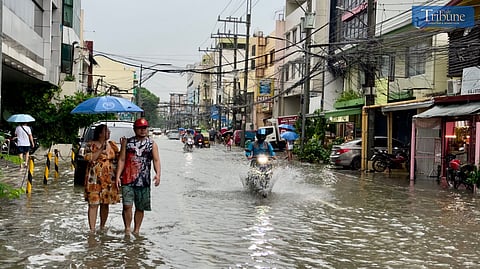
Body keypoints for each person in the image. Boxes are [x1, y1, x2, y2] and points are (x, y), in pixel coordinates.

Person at [115, 118, 161, 235]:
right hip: (127, 179)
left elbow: (156, 160)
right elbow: (122, 159)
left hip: (143, 181)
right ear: (135, 129)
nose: (142, 130)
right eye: (140, 128)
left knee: (140, 207)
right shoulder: (127, 142)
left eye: (144, 128)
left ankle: (136, 230)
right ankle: (127, 229)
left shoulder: (152, 144)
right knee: (127, 205)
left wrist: (158, 174)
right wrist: (117, 176)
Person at [84, 124, 120, 232]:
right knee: (93, 204)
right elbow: (89, 159)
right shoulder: (90, 145)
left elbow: (118, 160)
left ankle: (102, 227)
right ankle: (92, 229)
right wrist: (100, 150)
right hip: (94, 179)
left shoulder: (112, 145)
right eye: (106, 131)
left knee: (105, 204)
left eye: (109, 131)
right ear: (100, 133)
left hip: (108, 179)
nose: (109, 133)